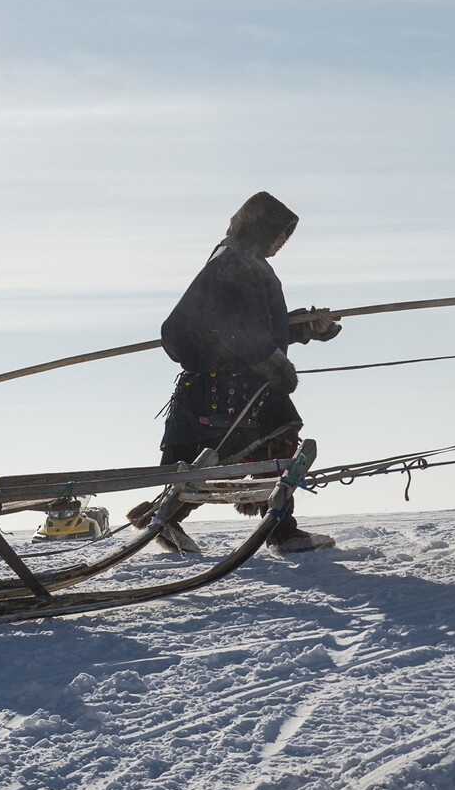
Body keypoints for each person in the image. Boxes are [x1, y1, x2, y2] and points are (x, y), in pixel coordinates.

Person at [137, 191, 341, 553]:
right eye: (279, 233)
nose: (282, 241)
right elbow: (230, 324)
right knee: (258, 447)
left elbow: (261, 325)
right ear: (260, 228)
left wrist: (309, 327)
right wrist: (272, 363)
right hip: (229, 390)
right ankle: (278, 530)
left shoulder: (242, 260)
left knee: (204, 462)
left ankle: (165, 519)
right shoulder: (234, 260)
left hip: (226, 387)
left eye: (286, 236)